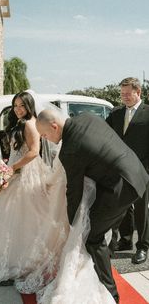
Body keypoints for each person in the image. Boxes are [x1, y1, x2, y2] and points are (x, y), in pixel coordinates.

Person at [36, 109, 149, 303]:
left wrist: (74, 225)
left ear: (54, 126)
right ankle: (106, 257)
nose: (46, 139)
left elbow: (74, 191)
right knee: (105, 225)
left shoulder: (69, 149)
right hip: (137, 172)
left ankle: (110, 293)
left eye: (45, 135)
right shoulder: (87, 116)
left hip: (121, 188)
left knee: (93, 236)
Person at [0, 91, 69, 294]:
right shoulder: (20, 123)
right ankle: (13, 255)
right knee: (13, 217)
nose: (18, 109)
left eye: (22, 106)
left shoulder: (29, 123)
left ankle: (26, 258)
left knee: (28, 216)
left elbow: (34, 151)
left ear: (29, 106)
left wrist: (11, 168)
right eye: (15, 105)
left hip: (27, 173)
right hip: (16, 171)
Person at [106, 77, 149, 264]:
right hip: (120, 168)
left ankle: (143, 246)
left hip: (143, 170)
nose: (123, 97)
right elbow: (104, 134)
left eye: (127, 94)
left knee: (141, 208)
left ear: (138, 92)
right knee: (123, 205)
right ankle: (125, 240)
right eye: (122, 94)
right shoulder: (115, 114)